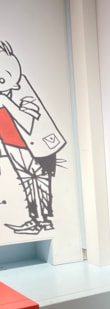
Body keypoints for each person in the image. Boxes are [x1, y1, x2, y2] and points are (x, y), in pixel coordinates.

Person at [0, 40, 66, 234]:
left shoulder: (23, 92)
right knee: (27, 182)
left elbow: (28, 122)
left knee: (42, 181)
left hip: (36, 149)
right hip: (12, 147)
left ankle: (46, 220)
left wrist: (6, 101)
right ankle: (34, 219)